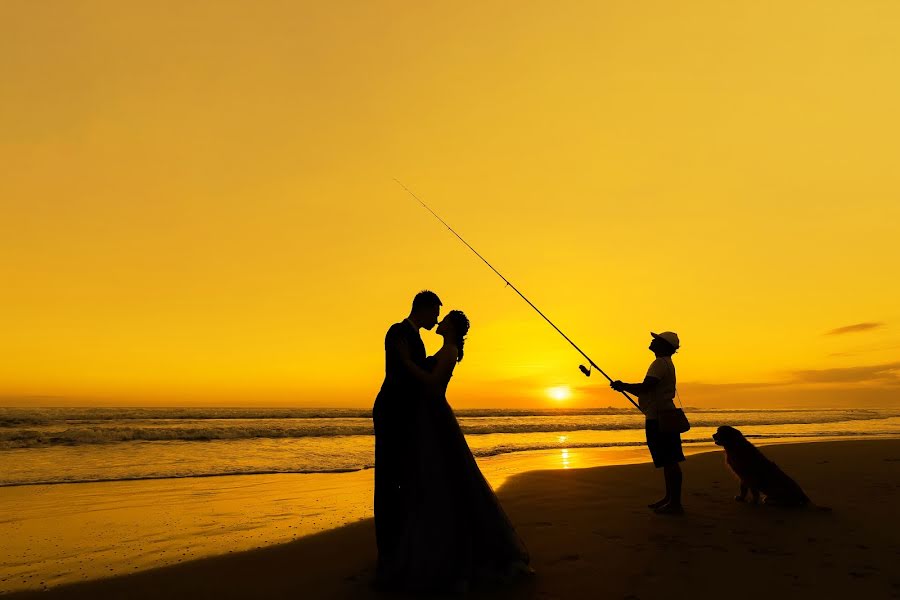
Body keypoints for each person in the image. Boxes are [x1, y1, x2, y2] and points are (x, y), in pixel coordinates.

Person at [394, 309, 531, 593]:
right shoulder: (445, 349)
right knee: (439, 476)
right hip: (428, 415)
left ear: (452, 327)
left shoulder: (450, 351)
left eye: (444, 320)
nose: (439, 322)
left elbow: (433, 385)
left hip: (435, 415)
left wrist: (407, 362)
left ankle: (453, 551)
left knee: (446, 476)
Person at [372, 290, 441, 583]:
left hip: (406, 413)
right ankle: (388, 549)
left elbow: (420, 370)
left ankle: (401, 543)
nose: (436, 320)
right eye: (434, 313)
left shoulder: (417, 338)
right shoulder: (398, 332)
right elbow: (404, 373)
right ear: (422, 310)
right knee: (388, 479)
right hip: (391, 411)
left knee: (402, 477)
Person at [611, 331, 685, 515]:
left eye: (656, 339)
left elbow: (647, 387)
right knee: (669, 461)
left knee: (670, 461)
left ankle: (674, 503)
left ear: (664, 345)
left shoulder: (660, 363)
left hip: (659, 419)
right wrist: (625, 387)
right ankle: (670, 499)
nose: (652, 341)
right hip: (663, 415)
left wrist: (624, 386)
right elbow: (649, 391)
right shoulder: (666, 363)